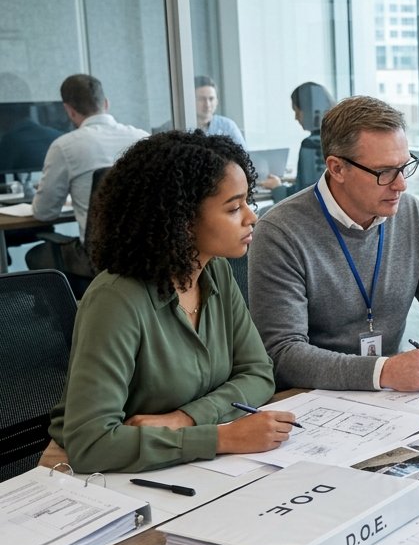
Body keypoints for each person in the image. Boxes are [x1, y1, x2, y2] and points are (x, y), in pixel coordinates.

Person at [48, 130, 292, 473]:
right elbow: (91, 444)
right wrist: (221, 438)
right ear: (182, 218)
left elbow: (258, 373)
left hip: (175, 460)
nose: (251, 217)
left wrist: (186, 419)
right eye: (234, 207)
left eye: (247, 203)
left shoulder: (215, 271)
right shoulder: (116, 299)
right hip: (88, 474)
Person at [249, 94, 419, 392]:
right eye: (384, 172)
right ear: (337, 168)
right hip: (312, 399)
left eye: (404, 167)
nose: (401, 184)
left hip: (389, 396)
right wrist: (383, 370)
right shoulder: (281, 232)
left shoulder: (410, 214)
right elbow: (284, 353)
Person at [27, 74, 148, 276]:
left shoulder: (64, 146)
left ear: (69, 111)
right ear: (106, 103)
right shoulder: (143, 138)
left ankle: (73, 308)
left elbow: (44, 212)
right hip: (148, 251)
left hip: (99, 258)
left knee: (36, 255)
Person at [269, 81, 332, 201]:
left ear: (307, 110)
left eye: (296, 111)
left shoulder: (311, 144)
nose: (296, 117)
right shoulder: (339, 136)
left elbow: (302, 196)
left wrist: (277, 187)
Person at [193, 75, 246, 148]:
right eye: (202, 99)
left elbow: (242, 156)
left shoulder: (228, 126)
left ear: (217, 101)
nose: (207, 104)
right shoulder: (178, 125)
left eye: (211, 99)